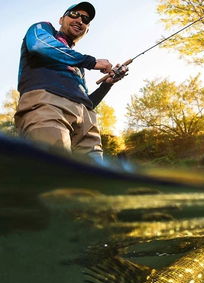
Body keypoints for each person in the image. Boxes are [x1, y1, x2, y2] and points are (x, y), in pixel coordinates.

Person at [14, 2, 127, 163]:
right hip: (47, 105)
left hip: (87, 122)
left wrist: (107, 84)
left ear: (87, 29)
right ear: (61, 19)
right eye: (74, 14)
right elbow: (39, 45)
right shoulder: (43, 29)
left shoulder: (79, 65)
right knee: (53, 171)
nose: (80, 20)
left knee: (94, 180)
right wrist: (91, 61)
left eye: (86, 19)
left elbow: (87, 102)